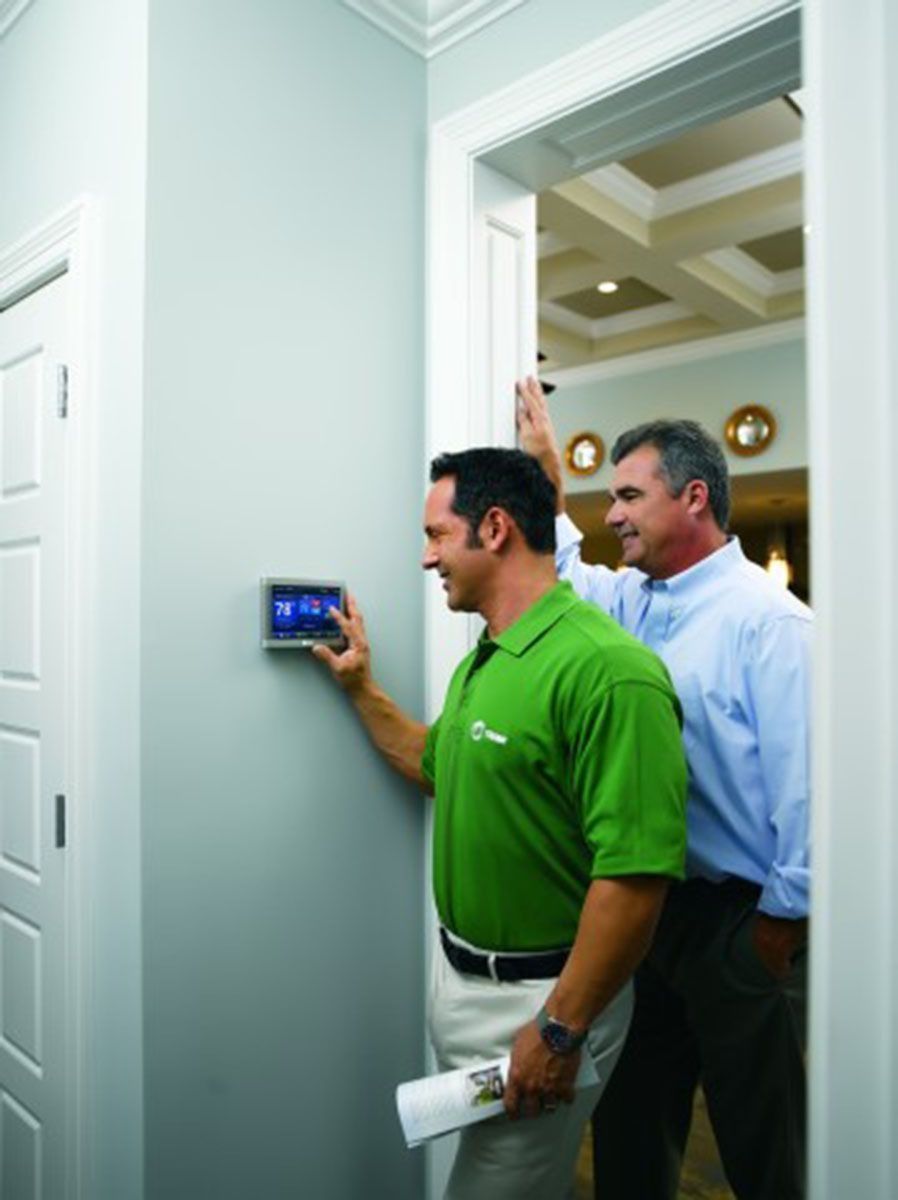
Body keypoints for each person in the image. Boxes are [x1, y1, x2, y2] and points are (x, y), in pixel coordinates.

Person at [313, 447, 688, 1199]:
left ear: (493, 528)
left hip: (546, 1000)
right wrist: (360, 690)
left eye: (436, 536)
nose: (427, 558)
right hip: (466, 983)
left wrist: (558, 1030)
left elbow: (635, 880)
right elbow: (436, 766)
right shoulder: (486, 658)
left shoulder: (609, 672)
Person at [516, 377, 811, 1200]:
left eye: (628, 497)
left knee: (765, 1148)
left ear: (693, 497)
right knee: (631, 1132)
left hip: (740, 925)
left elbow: (809, 793)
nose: (613, 515)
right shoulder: (631, 601)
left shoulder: (771, 623)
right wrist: (547, 473)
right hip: (647, 919)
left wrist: (776, 930)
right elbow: (564, 569)